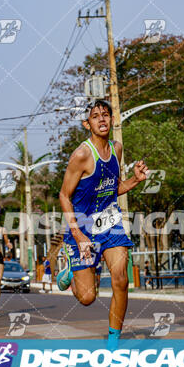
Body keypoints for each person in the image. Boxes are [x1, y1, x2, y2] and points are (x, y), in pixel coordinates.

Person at [57, 99, 148, 350]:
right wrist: (76, 235)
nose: (102, 119)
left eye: (106, 114)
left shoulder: (116, 149)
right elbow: (64, 195)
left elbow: (113, 188)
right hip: (83, 228)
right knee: (87, 298)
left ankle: (113, 343)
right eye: (96, 116)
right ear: (88, 124)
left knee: (120, 279)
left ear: (111, 119)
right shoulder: (82, 155)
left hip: (110, 224)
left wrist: (135, 180)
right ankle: (69, 272)